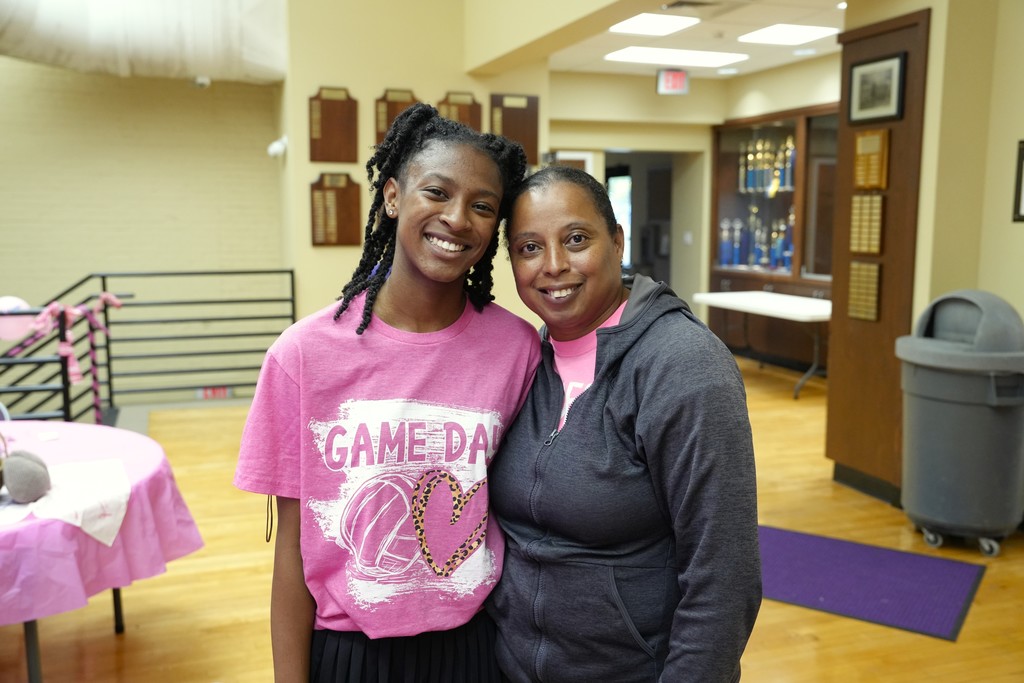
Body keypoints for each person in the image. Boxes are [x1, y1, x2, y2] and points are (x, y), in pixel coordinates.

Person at [234, 103, 540, 683]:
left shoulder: (517, 349)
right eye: (437, 192)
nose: (458, 218)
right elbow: (291, 555)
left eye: (482, 206)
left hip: (476, 649)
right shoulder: (302, 355)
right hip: (349, 655)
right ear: (393, 196)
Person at [488, 165, 761, 682]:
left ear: (617, 241)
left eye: (576, 239)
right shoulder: (526, 361)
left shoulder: (683, 365)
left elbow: (725, 577)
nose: (554, 265)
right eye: (529, 248)